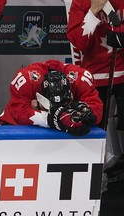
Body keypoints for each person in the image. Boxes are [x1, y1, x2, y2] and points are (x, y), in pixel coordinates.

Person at [66, 1, 124, 215]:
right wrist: (93, 12)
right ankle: (94, 178)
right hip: (95, 77)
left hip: (123, 72)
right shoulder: (81, 3)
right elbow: (78, 42)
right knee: (93, 130)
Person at [0, 59, 103, 137]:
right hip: (19, 127)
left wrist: (87, 114)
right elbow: (18, 112)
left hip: (67, 125)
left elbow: (96, 109)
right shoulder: (27, 79)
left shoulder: (81, 80)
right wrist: (53, 118)